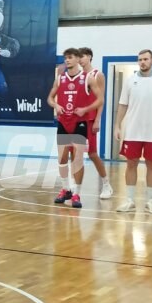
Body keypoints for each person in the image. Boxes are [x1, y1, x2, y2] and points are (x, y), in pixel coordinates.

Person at [113, 50, 152, 214]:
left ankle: (151, 201)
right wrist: (117, 125)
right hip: (133, 131)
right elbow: (123, 105)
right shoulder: (130, 80)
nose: (142, 62)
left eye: (146, 59)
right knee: (131, 164)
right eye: (140, 59)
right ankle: (129, 200)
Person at [48, 48, 102, 209]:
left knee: (78, 158)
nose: (67, 60)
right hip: (64, 122)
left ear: (78, 59)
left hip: (79, 123)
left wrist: (86, 109)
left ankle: (77, 193)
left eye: (70, 57)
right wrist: (56, 105)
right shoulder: (60, 78)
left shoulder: (88, 78)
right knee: (62, 158)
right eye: (65, 57)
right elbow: (50, 98)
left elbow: (100, 99)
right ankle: (66, 189)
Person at [77, 48, 113, 199]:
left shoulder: (98, 75)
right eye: (78, 56)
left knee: (92, 153)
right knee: (76, 153)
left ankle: (106, 184)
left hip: (91, 119)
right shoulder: (77, 76)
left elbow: (101, 100)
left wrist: (98, 119)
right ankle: (75, 186)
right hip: (77, 119)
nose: (80, 59)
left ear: (90, 57)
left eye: (83, 56)